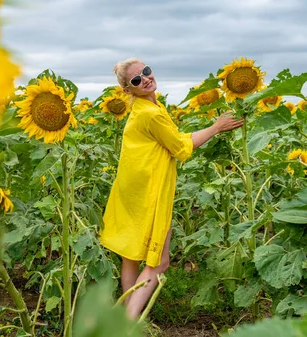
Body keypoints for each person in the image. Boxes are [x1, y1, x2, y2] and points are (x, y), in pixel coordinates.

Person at [99, 58, 244, 319]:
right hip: (149, 194)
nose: (145, 78)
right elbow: (181, 149)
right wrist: (215, 127)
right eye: (136, 80)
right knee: (159, 263)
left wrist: (211, 128)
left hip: (130, 190)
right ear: (127, 90)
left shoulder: (150, 108)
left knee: (131, 257)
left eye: (145, 71)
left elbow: (175, 140)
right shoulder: (151, 113)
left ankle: (123, 316)